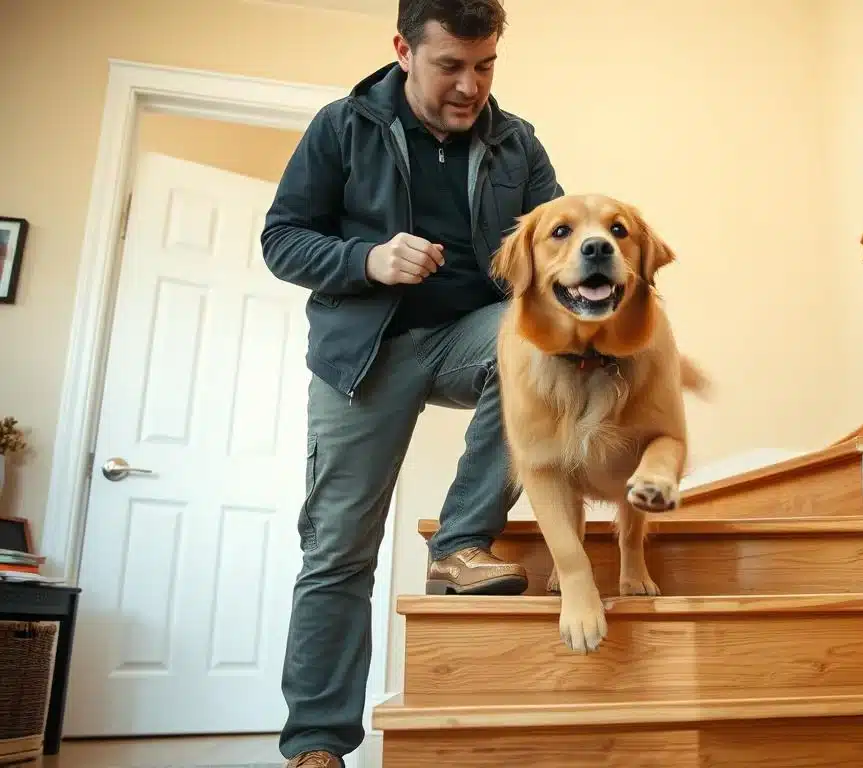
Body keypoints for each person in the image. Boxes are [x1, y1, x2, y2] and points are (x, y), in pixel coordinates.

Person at [258, 1, 563, 765]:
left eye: (485, 65)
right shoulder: (342, 125)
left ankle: (460, 545)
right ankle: (317, 745)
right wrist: (366, 261)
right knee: (338, 550)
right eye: (450, 66)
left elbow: (555, 247)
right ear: (404, 49)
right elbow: (282, 239)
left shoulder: (516, 141)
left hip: (471, 336)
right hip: (366, 352)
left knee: (541, 335)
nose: (470, 86)